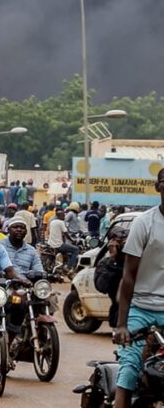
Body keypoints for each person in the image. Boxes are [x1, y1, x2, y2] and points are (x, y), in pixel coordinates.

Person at [113, 168, 164, 408]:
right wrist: (122, 325)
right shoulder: (145, 223)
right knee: (129, 369)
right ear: (157, 187)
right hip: (141, 309)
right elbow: (129, 276)